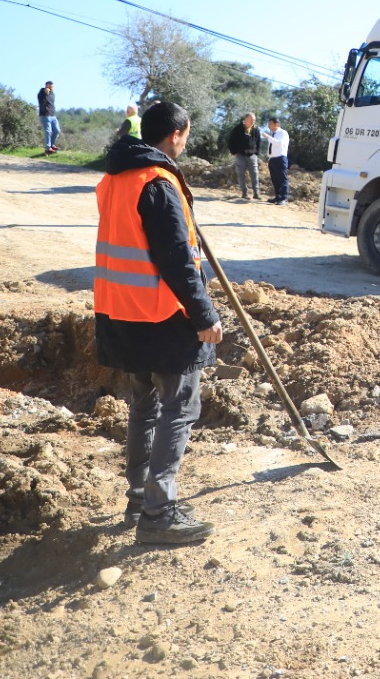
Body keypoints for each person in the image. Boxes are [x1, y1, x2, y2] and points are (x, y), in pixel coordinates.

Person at [93, 101, 221, 545]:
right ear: (177, 135)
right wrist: (204, 315)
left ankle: (139, 497)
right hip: (161, 314)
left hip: (120, 311)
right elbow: (176, 261)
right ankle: (159, 513)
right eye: (186, 136)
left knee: (144, 404)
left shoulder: (115, 178)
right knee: (179, 407)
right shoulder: (159, 182)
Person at [227, 112, 263, 201]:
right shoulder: (238, 129)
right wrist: (233, 152)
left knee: (254, 174)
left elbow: (259, 142)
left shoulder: (256, 129)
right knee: (241, 174)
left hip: (252, 155)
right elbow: (231, 141)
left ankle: (256, 193)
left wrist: (257, 153)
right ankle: (244, 193)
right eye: (251, 120)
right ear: (245, 119)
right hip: (240, 155)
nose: (253, 122)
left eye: (254, 120)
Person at [264, 116, 290, 205]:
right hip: (272, 159)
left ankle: (284, 198)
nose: (268, 126)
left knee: (282, 179)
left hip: (280, 158)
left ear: (277, 124)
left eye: (270, 124)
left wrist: (268, 137)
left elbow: (279, 144)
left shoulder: (283, 133)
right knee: (275, 179)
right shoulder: (273, 135)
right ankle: (278, 197)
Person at [37, 80, 61, 153]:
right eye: (50, 85)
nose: (52, 86)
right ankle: (48, 148)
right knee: (48, 131)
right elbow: (42, 103)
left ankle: (52, 145)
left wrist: (49, 93)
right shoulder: (41, 92)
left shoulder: (52, 94)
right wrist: (45, 94)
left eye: (52, 85)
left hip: (53, 115)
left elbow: (51, 103)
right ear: (46, 85)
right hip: (45, 115)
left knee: (57, 131)